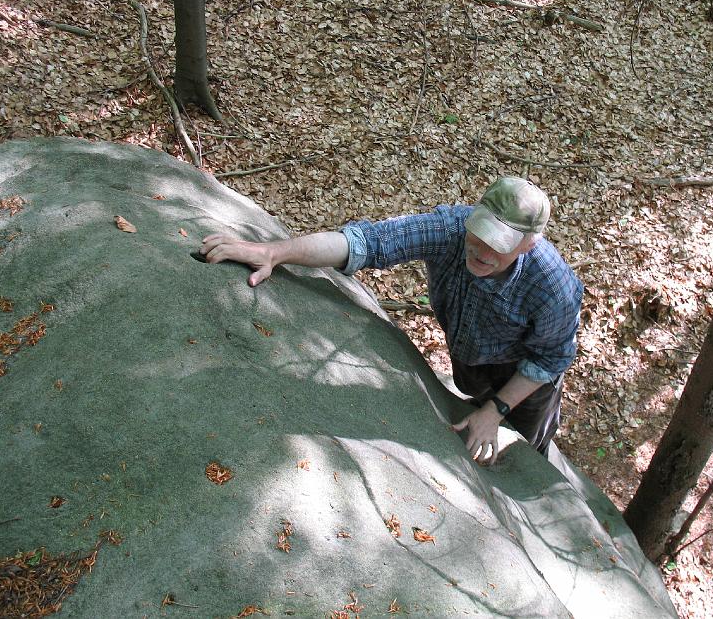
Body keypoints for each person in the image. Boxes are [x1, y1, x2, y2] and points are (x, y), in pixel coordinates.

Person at [200, 177, 583, 465]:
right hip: (470, 357)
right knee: (469, 402)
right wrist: (274, 251)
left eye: (497, 244)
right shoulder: (452, 228)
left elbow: (548, 359)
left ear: (528, 244)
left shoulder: (553, 287)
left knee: (523, 449)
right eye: (479, 233)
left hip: (526, 379)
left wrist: (497, 411)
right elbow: (366, 243)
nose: (480, 251)